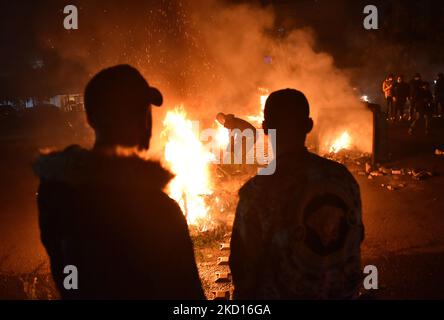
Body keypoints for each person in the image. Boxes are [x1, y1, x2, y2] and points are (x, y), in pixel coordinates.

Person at [33, 65, 205, 299]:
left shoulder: (55, 193)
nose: (148, 122)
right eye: (141, 112)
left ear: (90, 119)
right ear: (144, 121)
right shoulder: (160, 213)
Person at [230, 89, 364, 299]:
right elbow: (355, 240)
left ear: (265, 128)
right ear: (309, 126)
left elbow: (243, 268)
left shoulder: (257, 192)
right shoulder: (344, 179)